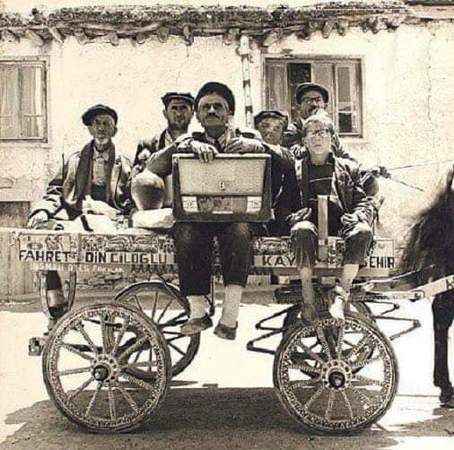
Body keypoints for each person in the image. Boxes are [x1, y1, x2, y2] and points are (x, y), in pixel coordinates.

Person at [133, 82, 282, 340]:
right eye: (205, 107)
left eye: (218, 106)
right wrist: (184, 146)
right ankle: (198, 311)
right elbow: (152, 168)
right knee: (185, 230)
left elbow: (287, 163)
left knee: (239, 231)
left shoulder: (249, 138)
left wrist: (260, 148)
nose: (211, 111)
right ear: (198, 116)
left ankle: (230, 316)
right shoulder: (190, 140)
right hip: (201, 219)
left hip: (242, 218)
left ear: (229, 112)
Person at [28, 104, 133, 322]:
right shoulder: (74, 160)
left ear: (114, 130)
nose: (101, 128)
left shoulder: (124, 164)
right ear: (90, 129)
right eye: (97, 124)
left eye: (107, 124)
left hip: (109, 219)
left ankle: (119, 305)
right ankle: (55, 300)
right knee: (46, 236)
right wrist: (42, 211)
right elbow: (56, 190)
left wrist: (118, 214)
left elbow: (131, 199)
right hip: (77, 215)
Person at [287, 113, 375, 321]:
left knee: (362, 231)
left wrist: (356, 216)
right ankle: (307, 296)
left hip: (341, 224)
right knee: (301, 229)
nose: (317, 137)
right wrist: (294, 216)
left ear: (332, 138)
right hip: (310, 226)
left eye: (322, 132)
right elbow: (283, 206)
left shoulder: (349, 168)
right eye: (312, 133)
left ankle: (341, 294)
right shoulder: (295, 170)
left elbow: (363, 202)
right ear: (304, 140)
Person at [401, 166, 454, 408]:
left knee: (441, 333)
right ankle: (444, 385)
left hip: (446, 288)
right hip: (447, 287)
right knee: (441, 332)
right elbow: (428, 246)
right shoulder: (443, 211)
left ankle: (443, 385)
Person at [287, 82, 380, 197]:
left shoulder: (329, 129)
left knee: (369, 181)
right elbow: (295, 154)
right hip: (306, 174)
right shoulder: (293, 129)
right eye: (308, 100)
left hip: (331, 172)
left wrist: (362, 168)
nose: (314, 104)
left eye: (318, 100)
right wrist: (317, 140)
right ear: (299, 107)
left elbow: (342, 153)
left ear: (325, 105)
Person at [132, 92, 195, 208]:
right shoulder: (148, 144)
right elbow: (134, 184)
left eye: (183, 108)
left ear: (192, 113)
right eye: (174, 108)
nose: (179, 113)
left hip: (189, 211)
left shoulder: (198, 144)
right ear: (165, 113)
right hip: (157, 212)